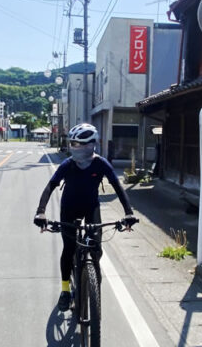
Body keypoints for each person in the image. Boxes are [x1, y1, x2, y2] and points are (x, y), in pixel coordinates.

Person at [34, 123, 137, 311]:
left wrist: (128, 212)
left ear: (91, 145)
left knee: (95, 248)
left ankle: (94, 289)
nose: (77, 148)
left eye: (82, 145)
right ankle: (65, 290)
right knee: (69, 248)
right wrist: (41, 211)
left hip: (91, 207)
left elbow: (118, 187)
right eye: (74, 144)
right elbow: (50, 186)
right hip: (69, 208)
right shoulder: (68, 165)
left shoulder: (100, 164)